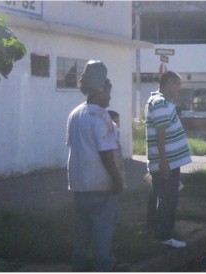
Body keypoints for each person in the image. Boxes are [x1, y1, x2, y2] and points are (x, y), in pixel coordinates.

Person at [66, 60, 123, 271]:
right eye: (109, 92)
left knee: (82, 229)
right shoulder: (101, 116)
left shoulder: (75, 114)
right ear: (100, 90)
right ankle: (104, 266)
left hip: (79, 184)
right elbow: (106, 153)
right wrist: (117, 180)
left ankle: (78, 264)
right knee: (102, 229)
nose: (110, 97)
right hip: (100, 185)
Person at [145, 70, 192, 248]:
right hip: (167, 162)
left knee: (158, 194)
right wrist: (164, 160)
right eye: (178, 85)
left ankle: (153, 230)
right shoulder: (161, 103)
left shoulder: (160, 101)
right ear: (169, 84)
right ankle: (165, 235)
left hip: (165, 161)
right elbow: (161, 133)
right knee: (168, 198)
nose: (179, 89)